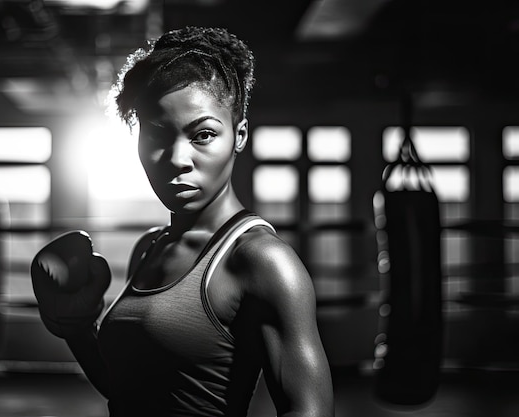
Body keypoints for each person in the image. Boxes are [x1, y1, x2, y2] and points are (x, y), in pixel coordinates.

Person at [31, 26, 334, 417]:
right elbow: (129, 390)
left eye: (203, 135)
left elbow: (309, 411)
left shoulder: (263, 262)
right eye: (158, 134)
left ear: (239, 135)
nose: (177, 158)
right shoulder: (150, 247)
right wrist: (76, 327)